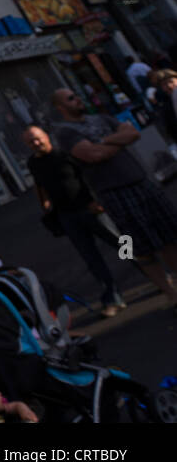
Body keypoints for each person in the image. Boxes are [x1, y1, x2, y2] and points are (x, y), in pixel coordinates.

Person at [51, 87, 177, 312]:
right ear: (61, 108)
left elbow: (133, 133)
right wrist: (117, 142)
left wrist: (104, 141)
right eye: (71, 98)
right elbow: (93, 155)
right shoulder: (64, 132)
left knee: (169, 236)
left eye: (76, 94)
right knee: (139, 248)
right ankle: (171, 294)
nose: (78, 98)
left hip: (141, 182)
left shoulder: (101, 118)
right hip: (113, 194)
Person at [23, 126, 125, 317]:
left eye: (38, 139)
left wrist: (96, 199)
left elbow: (89, 174)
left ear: (46, 136)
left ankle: (153, 273)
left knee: (122, 243)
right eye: (31, 142)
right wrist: (44, 202)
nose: (36, 143)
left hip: (90, 209)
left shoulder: (65, 154)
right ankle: (113, 297)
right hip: (67, 216)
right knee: (91, 258)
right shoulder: (33, 164)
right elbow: (39, 184)